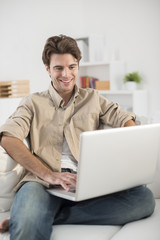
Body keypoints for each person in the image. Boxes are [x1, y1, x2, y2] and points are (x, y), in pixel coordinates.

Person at [0, 35, 155, 239]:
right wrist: (49, 175)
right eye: (58, 68)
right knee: (28, 224)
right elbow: (8, 137)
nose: (66, 74)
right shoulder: (32, 102)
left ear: (78, 66)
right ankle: (29, 216)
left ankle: (42, 216)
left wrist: (131, 137)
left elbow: (123, 117)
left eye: (72, 67)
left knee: (143, 199)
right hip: (41, 183)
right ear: (47, 69)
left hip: (86, 183)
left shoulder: (93, 98)